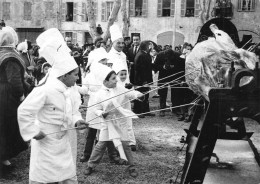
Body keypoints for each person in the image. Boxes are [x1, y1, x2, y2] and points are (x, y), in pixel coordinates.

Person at [17, 28, 88, 184]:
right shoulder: (46, 90)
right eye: (75, 74)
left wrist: (77, 120)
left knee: (67, 176)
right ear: (64, 75)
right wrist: (32, 131)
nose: (77, 78)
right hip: (46, 141)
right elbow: (24, 111)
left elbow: (73, 110)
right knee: (45, 177)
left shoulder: (68, 90)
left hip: (63, 141)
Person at [85, 63, 143, 177]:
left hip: (120, 122)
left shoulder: (119, 88)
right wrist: (102, 113)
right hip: (107, 123)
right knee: (101, 145)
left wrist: (139, 95)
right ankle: (90, 165)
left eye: (115, 78)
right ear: (105, 81)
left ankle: (131, 167)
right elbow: (96, 109)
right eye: (113, 79)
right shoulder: (99, 94)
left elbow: (130, 93)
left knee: (125, 144)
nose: (116, 81)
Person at [80, 48, 119, 163]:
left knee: (108, 129)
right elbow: (85, 90)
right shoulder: (89, 76)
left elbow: (115, 86)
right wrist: (76, 88)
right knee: (91, 131)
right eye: (102, 61)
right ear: (96, 61)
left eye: (105, 61)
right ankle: (86, 154)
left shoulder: (108, 73)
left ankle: (113, 154)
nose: (104, 63)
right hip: (93, 106)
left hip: (106, 105)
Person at [0, 26, 28, 177]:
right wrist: (21, 96)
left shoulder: (1, 53)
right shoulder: (10, 56)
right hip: (6, 96)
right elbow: (15, 82)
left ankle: (4, 160)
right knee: (7, 128)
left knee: (2, 128)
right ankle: (3, 162)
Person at [113, 62, 137, 151]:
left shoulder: (127, 83)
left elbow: (132, 94)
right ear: (116, 75)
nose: (123, 76)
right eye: (121, 74)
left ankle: (131, 142)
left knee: (128, 123)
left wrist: (131, 89)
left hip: (126, 106)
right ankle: (119, 143)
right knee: (118, 124)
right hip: (118, 107)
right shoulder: (115, 84)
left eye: (125, 74)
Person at [153, 49, 185, 117]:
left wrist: (174, 67)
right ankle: (162, 109)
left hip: (174, 76)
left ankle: (175, 109)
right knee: (162, 93)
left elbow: (182, 68)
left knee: (175, 93)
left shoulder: (178, 55)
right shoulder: (160, 55)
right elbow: (155, 66)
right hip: (163, 76)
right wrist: (163, 67)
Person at [133, 40, 155, 118]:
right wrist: (144, 81)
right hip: (141, 80)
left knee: (146, 95)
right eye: (149, 46)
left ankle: (145, 110)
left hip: (144, 79)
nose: (151, 47)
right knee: (140, 95)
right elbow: (141, 70)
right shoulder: (141, 55)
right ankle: (138, 111)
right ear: (145, 46)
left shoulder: (144, 54)